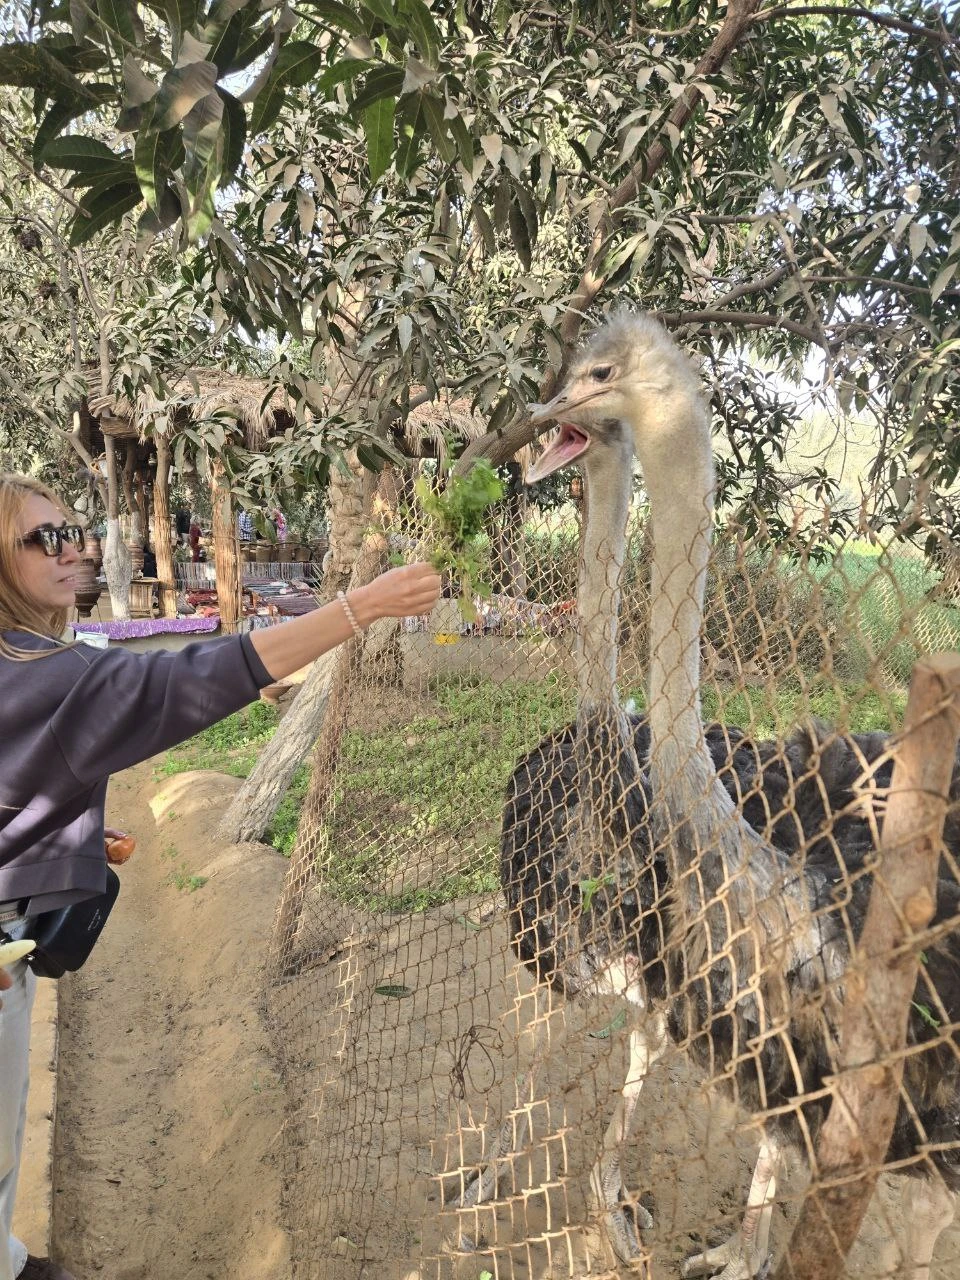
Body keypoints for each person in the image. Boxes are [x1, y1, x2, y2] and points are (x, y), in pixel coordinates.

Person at [0, 472, 440, 1280]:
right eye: (44, 538)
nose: (72, 550)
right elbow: (193, 679)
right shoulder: (53, 676)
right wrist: (359, 608)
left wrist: (60, 832)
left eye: (73, 532)